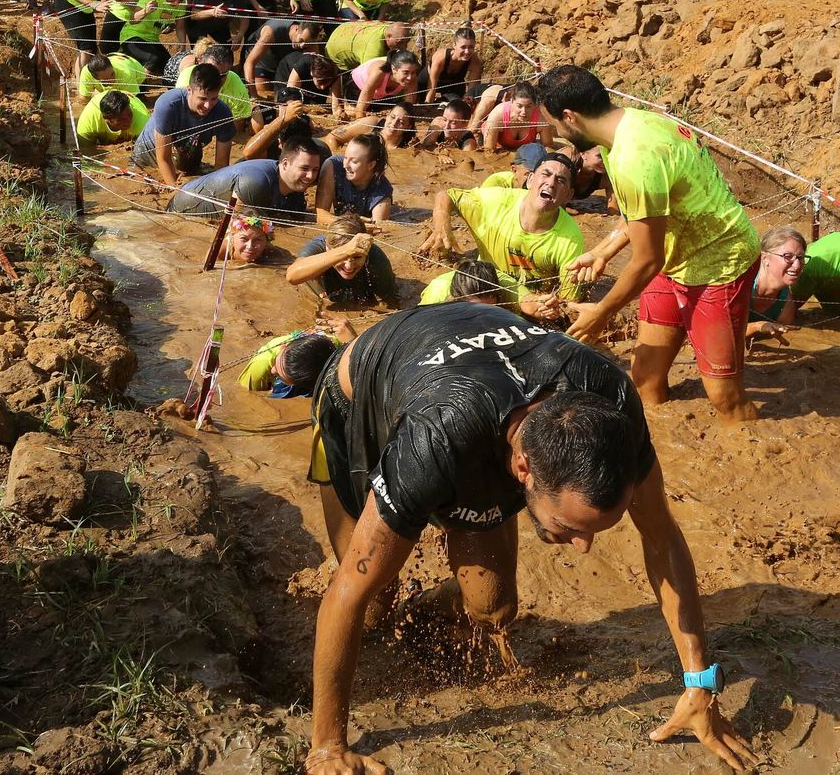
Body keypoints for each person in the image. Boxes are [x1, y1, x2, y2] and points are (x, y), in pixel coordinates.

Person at [301, 302, 756, 775]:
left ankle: (420, 612)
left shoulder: (611, 401)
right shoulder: (435, 438)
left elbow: (661, 536)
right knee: (372, 602)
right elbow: (348, 591)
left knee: (493, 606)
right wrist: (327, 748)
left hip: (478, 392)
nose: (583, 547)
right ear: (523, 470)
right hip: (362, 396)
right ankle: (383, 624)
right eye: (571, 527)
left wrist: (700, 684)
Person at [538, 65, 761, 421]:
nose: (555, 133)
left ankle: (749, 437)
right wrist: (603, 251)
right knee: (644, 377)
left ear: (570, 117)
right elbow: (644, 212)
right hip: (675, 256)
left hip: (720, 265)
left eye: (554, 124)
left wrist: (601, 313)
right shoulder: (626, 128)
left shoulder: (633, 158)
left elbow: (646, 260)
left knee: (725, 397)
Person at [420, 153, 586, 318]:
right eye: (546, 174)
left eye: (561, 180)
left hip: (527, 301)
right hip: (484, 286)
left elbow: (569, 304)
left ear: (568, 195)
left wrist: (552, 307)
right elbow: (447, 195)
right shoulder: (495, 202)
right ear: (530, 180)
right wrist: (442, 225)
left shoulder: (571, 239)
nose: (551, 183)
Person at [165, 137, 325, 221]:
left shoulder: (295, 187)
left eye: (315, 170)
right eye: (304, 169)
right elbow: (237, 230)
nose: (310, 176)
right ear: (285, 164)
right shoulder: (256, 183)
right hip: (179, 212)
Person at [131, 62, 236, 183]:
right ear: (189, 90)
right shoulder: (168, 105)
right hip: (149, 153)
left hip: (187, 149)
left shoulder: (223, 114)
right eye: (203, 98)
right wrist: (174, 189)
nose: (208, 105)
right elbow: (164, 158)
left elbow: (221, 166)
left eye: (213, 98)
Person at [288, 214, 399, 307]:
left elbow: (391, 302)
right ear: (327, 247)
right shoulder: (318, 247)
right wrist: (345, 251)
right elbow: (292, 276)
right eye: (342, 258)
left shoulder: (374, 256)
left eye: (357, 257)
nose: (348, 266)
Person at [240, 328, 344, 397]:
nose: (273, 370)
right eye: (276, 366)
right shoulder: (258, 369)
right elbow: (247, 394)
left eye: (280, 375)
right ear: (283, 346)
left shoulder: (335, 345)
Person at [118, 0, 189, 81]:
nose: (176, 3)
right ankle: (136, 84)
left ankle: (171, 89)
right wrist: (145, 11)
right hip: (133, 36)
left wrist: (182, 45)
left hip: (152, 40)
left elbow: (180, 27)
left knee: (170, 67)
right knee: (154, 58)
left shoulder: (181, 5)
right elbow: (133, 20)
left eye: (181, 0)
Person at [747, 225, 804, 349]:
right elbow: (718, 333)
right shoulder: (741, 285)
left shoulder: (786, 307)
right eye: (788, 256)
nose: (797, 265)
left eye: (800, 258)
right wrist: (757, 327)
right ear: (764, 258)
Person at [315, 134, 394, 224]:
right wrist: (351, 223)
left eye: (354, 161)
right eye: (345, 157)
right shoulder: (333, 166)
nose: (345, 165)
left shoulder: (382, 192)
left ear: (371, 165)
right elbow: (320, 216)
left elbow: (378, 229)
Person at [176, 42, 256, 130]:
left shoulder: (237, 86)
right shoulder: (186, 80)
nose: (215, 79)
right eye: (210, 72)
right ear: (201, 64)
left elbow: (235, 127)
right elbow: (181, 118)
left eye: (221, 75)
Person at [245, 17, 323, 101]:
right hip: (262, 61)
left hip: (282, 64)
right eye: (301, 40)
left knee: (283, 96)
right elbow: (249, 63)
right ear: (297, 28)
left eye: (306, 44)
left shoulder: (309, 38)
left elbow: (316, 63)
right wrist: (253, 95)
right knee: (263, 94)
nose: (301, 46)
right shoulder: (271, 32)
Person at [188, 0, 259, 54]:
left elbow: (244, 17)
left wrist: (240, 34)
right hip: (198, 26)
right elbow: (193, 15)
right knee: (200, 53)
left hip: (220, 25)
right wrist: (213, 12)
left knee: (227, 53)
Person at [419, 257, 520, 307]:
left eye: (490, 308)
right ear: (457, 298)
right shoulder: (437, 292)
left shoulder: (508, 286)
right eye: (475, 309)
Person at [478, 82, 549, 152]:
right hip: (498, 147)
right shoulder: (498, 114)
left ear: (535, 105)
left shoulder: (541, 117)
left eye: (529, 106)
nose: (524, 111)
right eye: (519, 106)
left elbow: (548, 146)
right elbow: (489, 151)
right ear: (511, 101)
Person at [352, 50, 421, 117]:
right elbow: (363, 100)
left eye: (413, 72)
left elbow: (409, 106)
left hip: (382, 97)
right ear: (394, 69)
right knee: (353, 112)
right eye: (405, 73)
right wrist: (360, 117)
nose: (409, 77)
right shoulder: (379, 72)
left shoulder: (412, 78)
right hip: (356, 90)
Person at [426, 27, 485, 106]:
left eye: (471, 47)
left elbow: (472, 91)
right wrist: (427, 106)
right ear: (454, 45)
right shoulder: (440, 58)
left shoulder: (475, 62)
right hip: (429, 81)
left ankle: (442, 102)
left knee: (457, 103)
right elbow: (431, 88)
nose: (467, 51)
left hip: (453, 85)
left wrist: (467, 105)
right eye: (463, 47)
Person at [327, 20, 411, 73]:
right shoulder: (373, 50)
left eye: (407, 42)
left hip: (345, 27)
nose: (404, 47)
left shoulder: (386, 27)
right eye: (400, 42)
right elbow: (368, 74)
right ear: (389, 37)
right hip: (335, 48)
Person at [277, 51, 347, 112]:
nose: (323, 87)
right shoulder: (303, 65)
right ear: (312, 74)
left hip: (316, 77)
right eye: (320, 82)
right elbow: (290, 93)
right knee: (287, 100)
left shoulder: (335, 73)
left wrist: (338, 113)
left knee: (316, 105)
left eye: (326, 83)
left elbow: (336, 105)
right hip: (288, 70)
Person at [75, 90, 149, 146]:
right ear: (106, 119)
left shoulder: (142, 121)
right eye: (121, 120)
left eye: (129, 114)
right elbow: (85, 151)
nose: (128, 121)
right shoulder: (89, 122)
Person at [77, 52, 147, 101]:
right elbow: (84, 98)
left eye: (112, 74)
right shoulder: (86, 73)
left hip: (137, 75)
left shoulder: (126, 74)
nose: (112, 79)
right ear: (96, 78)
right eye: (106, 79)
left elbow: (131, 100)